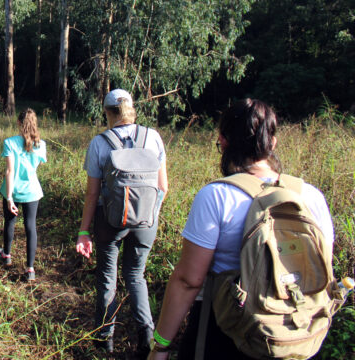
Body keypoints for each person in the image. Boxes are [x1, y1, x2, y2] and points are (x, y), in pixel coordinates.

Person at [146, 99, 334, 360]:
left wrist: (161, 345)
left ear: (223, 141)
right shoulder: (311, 196)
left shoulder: (216, 195)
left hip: (226, 331)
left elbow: (189, 280)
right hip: (297, 333)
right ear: (273, 143)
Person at [76, 89, 168, 355]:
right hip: (145, 222)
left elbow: (93, 193)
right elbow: (163, 186)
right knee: (136, 275)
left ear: (107, 112)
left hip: (110, 220)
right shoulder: (153, 137)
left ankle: (105, 338)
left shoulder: (100, 143)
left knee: (108, 278)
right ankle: (146, 335)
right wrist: (150, 216)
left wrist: (84, 231)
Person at [0, 108, 46, 282]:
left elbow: (9, 171)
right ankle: (30, 269)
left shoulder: (10, 142)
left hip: (13, 190)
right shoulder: (41, 144)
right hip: (32, 191)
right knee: (31, 227)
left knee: (9, 222)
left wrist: (9, 197)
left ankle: (6, 255)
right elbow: (35, 167)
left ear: (18, 123)